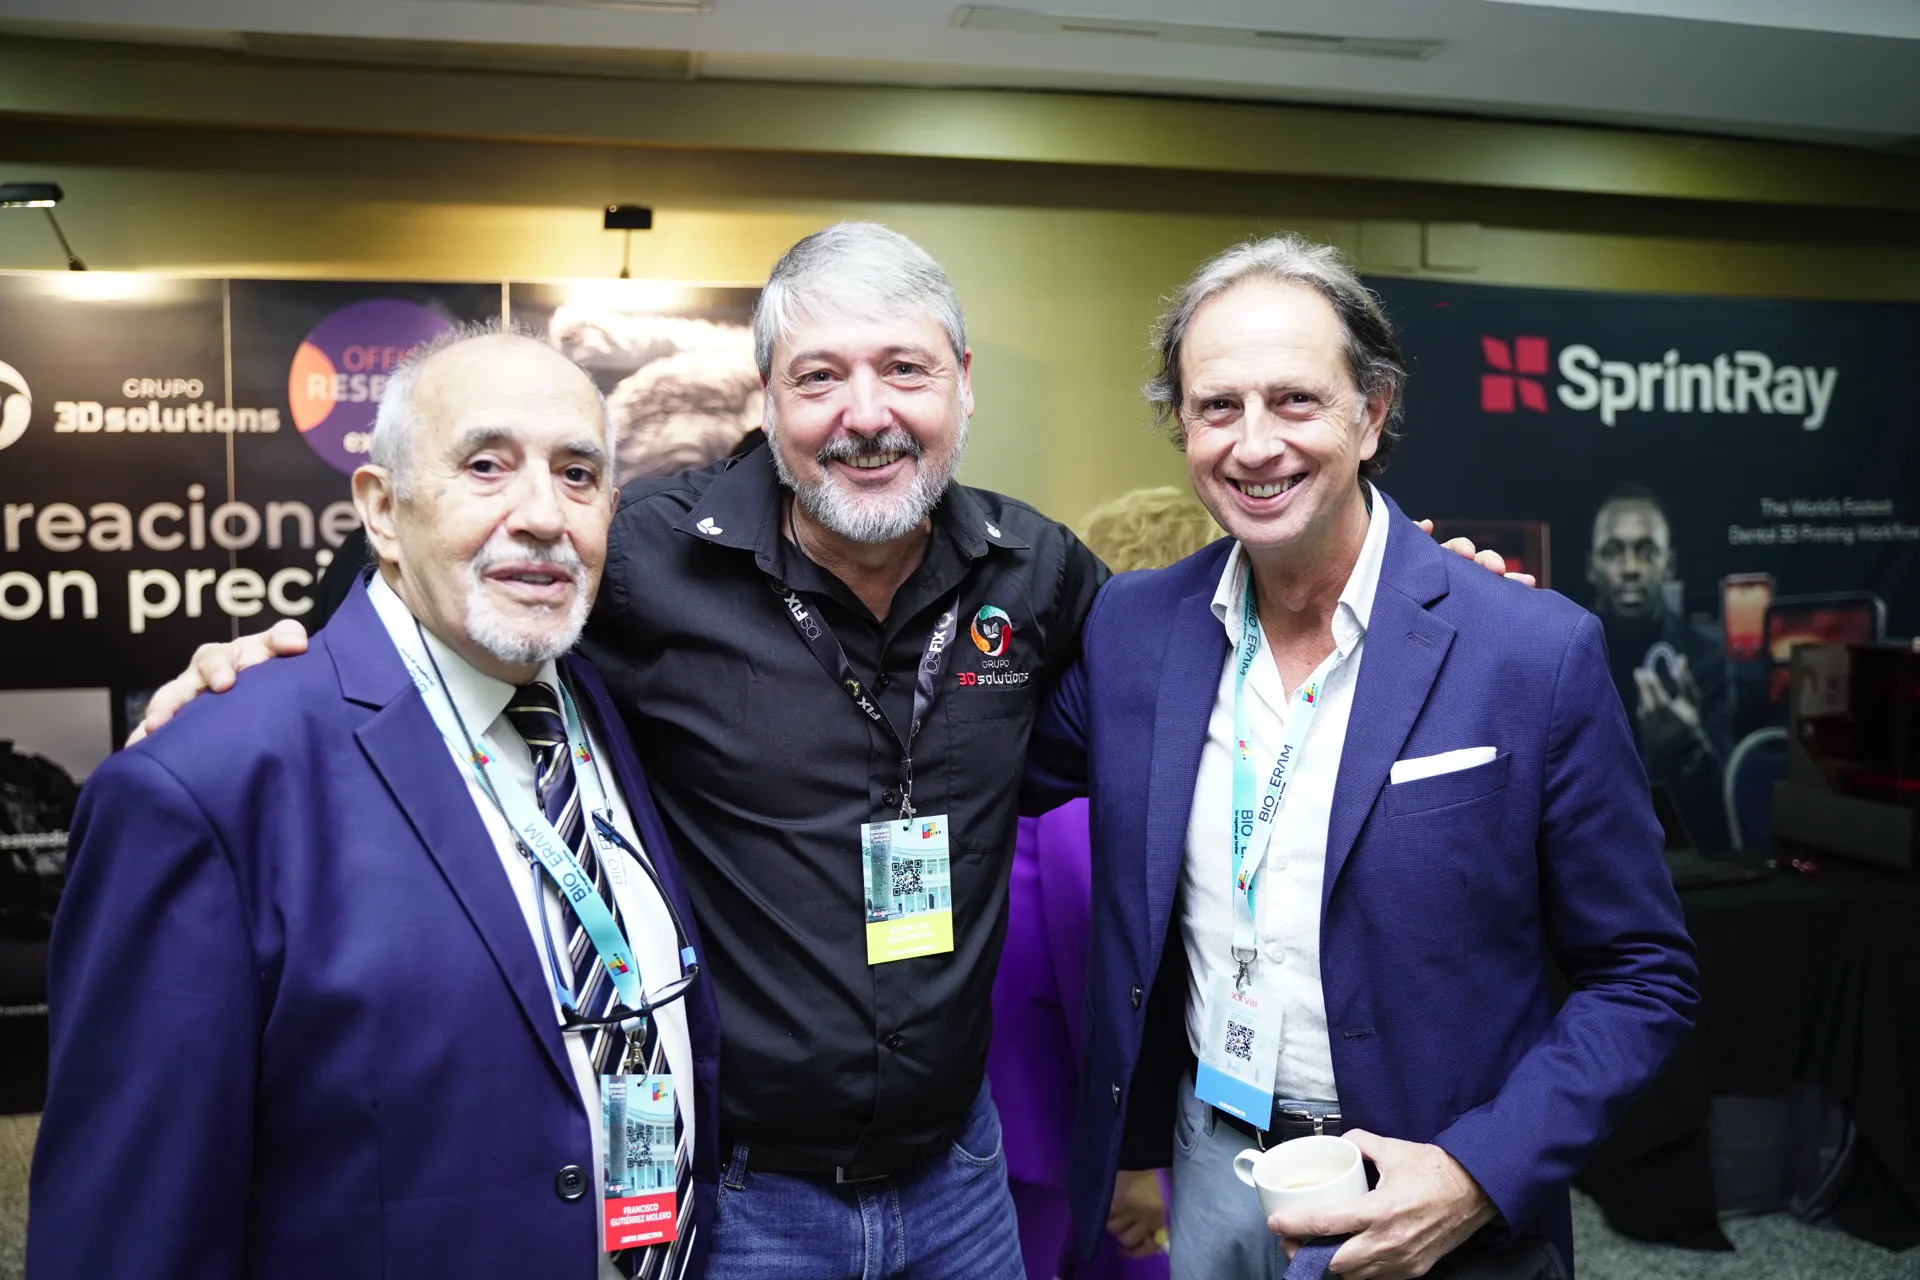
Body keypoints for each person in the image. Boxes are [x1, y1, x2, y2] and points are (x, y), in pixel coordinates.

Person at [132, 223, 1519, 1280]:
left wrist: (1413, 595)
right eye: (819, 377)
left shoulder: (1038, 571)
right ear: (769, 400)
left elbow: (1216, 669)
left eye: (905, 369)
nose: (866, 413)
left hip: (961, 1179)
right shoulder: (645, 556)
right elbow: (453, 589)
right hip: (746, 1199)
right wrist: (273, 663)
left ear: (962, 387)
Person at [1025, 236, 1699, 1280]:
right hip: (1215, 1157)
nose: (1254, 444)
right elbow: (981, 761)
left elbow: (1643, 975)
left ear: (1372, 413)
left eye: (1295, 400)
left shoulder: (1526, 649)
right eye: (1217, 406)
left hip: (1425, 1182)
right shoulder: (1134, 631)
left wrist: (1477, 1173)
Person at [29, 327, 722, 1279]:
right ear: (382, 510)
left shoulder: (601, 705)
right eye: (486, 466)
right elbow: (129, 1232)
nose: (542, 515)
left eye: (576, 475)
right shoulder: (210, 786)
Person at [989, 487, 1219, 1280]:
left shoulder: (1045, 731)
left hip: (1025, 1120)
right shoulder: (1108, 749)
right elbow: (1105, 957)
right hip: (1067, 1134)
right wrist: (1137, 1161)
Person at [1586, 486, 1734, 848]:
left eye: (1647, 551)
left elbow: (1725, 810)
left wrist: (1688, 748)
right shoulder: (1565, 655)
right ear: (1592, 567)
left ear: (1669, 564)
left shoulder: (1705, 659)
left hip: (1680, 851)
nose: (1630, 568)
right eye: (1613, 551)